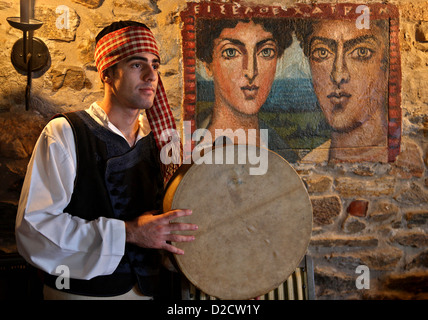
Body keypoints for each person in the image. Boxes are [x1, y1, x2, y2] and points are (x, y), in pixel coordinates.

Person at [15, 21, 197, 300]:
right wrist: (129, 233)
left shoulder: (160, 141)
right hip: (81, 294)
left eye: (155, 65)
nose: (151, 76)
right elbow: (34, 229)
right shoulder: (65, 133)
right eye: (137, 65)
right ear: (107, 73)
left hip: (148, 293)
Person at [195, 18, 298, 163]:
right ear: (207, 64)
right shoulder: (189, 143)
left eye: (266, 52)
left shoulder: (287, 158)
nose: (251, 71)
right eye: (231, 52)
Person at [296, 19, 389, 163]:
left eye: (361, 52)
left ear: (386, 66)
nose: (338, 75)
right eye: (322, 52)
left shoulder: (413, 162)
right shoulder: (308, 165)